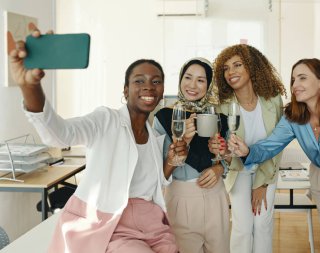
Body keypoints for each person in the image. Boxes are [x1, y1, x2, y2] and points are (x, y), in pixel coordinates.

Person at [9, 29, 188, 253]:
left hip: (151, 224)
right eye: (139, 81)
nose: (148, 86)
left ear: (162, 91)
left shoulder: (153, 137)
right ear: (125, 90)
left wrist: (171, 160)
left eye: (156, 81)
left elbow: (150, 185)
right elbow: (59, 134)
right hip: (110, 224)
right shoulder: (106, 120)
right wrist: (30, 86)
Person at [227, 58, 320, 253]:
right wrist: (248, 151)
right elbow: (271, 145)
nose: (295, 85)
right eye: (293, 79)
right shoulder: (293, 118)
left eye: (302, 78)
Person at [209, 44, 286, 253]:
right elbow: (220, 149)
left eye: (237, 65)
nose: (230, 72)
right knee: (243, 227)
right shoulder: (222, 105)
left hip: (267, 168)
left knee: (262, 224)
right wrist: (221, 150)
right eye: (225, 68)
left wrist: (262, 184)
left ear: (252, 67)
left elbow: (278, 145)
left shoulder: (273, 99)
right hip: (238, 169)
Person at [153, 57, 230, 253]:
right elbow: (161, 171)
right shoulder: (164, 117)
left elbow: (228, 158)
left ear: (209, 84)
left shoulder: (219, 118)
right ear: (180, 79)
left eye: (201, 80)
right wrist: (182, 142)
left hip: (217, 196)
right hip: (181, 197)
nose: (192, 85)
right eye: (188, 77)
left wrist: (220, 165)